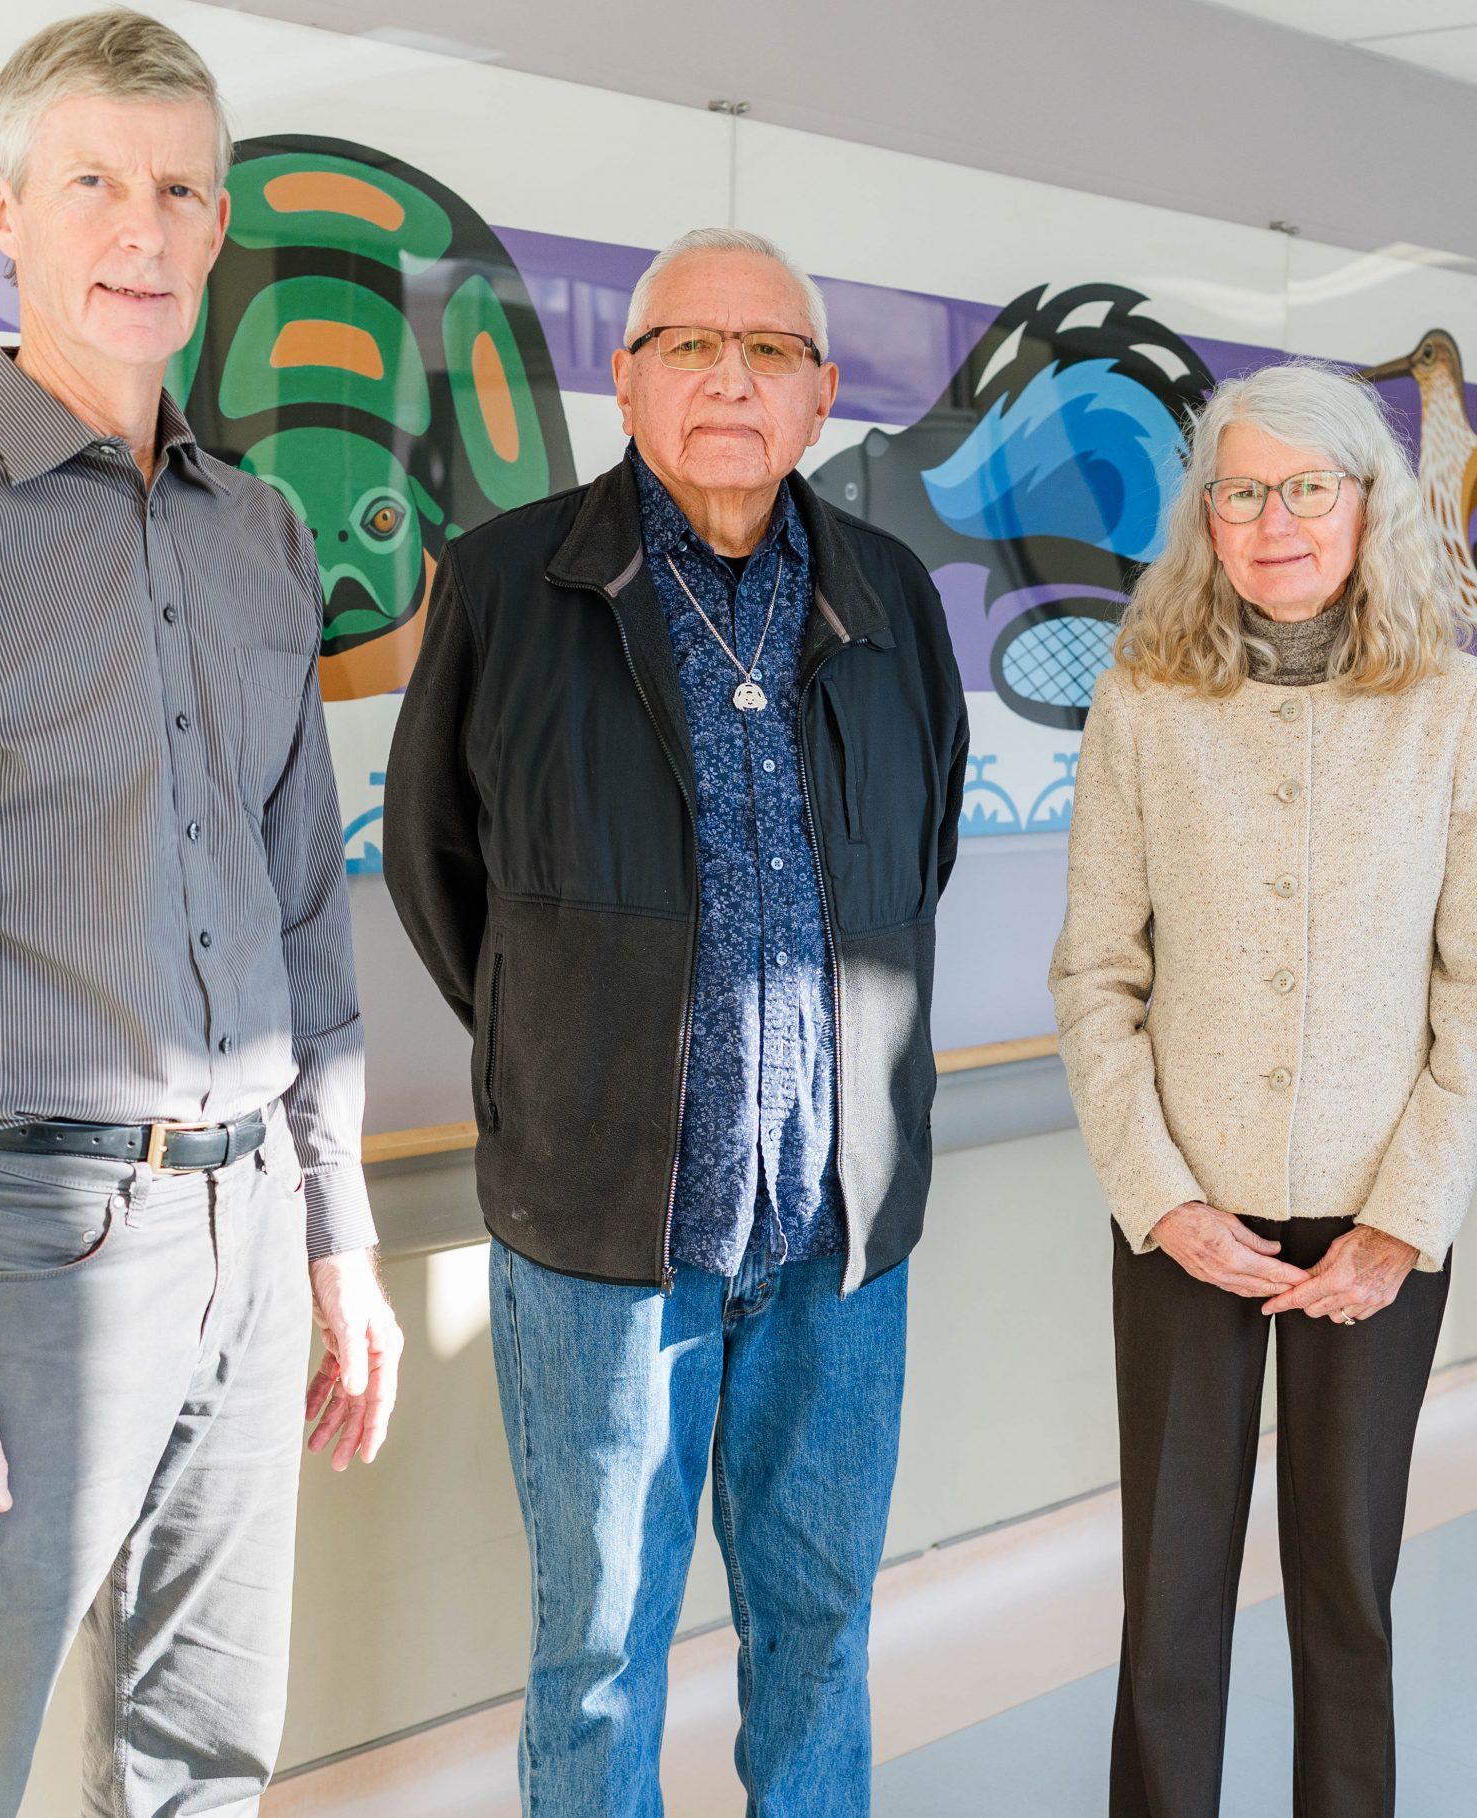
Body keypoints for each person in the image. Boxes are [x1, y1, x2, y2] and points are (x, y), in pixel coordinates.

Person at [0, 13, 402, 1813]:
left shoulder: (262, 532)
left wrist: (336, 1231)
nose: (141, 223)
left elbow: (302, 930)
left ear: (215, 232)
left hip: (252, 1233)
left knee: (206, 1764)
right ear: (4, 209)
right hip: (13, 1248)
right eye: (95, 181)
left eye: (179, 189)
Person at [382, 226, 969, 1815]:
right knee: (595, 1650)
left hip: (834, 1241)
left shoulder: (891, 598)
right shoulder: (510, 581)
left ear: (824, 394)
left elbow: (922, 853)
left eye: (769, 348)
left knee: (823, 1624)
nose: (729, 374)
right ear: (625, 379)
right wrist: (566, 1045)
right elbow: (437, 864)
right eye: (689, 344)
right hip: (604, 1233)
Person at [1049, 359, 1477, 1818]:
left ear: (1365, 503)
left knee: (1346, 1589)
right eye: (1243, 490)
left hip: (1378, 1224)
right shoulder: (1143, 700)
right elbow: (1096, 977)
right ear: (1207, 514)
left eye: (1305, 487)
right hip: (1190, 1220)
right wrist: (1158, 1198)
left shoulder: (1456, 709)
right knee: (1172, 1595)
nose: (1274, 521)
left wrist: (1407, 1218)